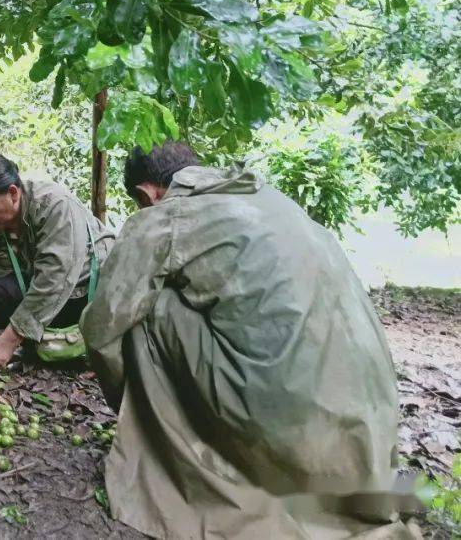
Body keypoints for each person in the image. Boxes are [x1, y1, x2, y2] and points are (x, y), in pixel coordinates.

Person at [81, 141, 415, 539]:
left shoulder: (167, 216)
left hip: (288, 425)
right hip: (368, 428)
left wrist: (127, 406)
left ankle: (175, 446)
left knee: (142, 307)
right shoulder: (272, 200)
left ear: (146, 193)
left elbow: (102, 328)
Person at [0, 153, 115, 376]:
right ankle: (39, 342)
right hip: (44, 296)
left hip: (86, 297)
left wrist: (8, 340)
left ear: (13, 194)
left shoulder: (55, 206)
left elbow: (54, 280)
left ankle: (81, 342)